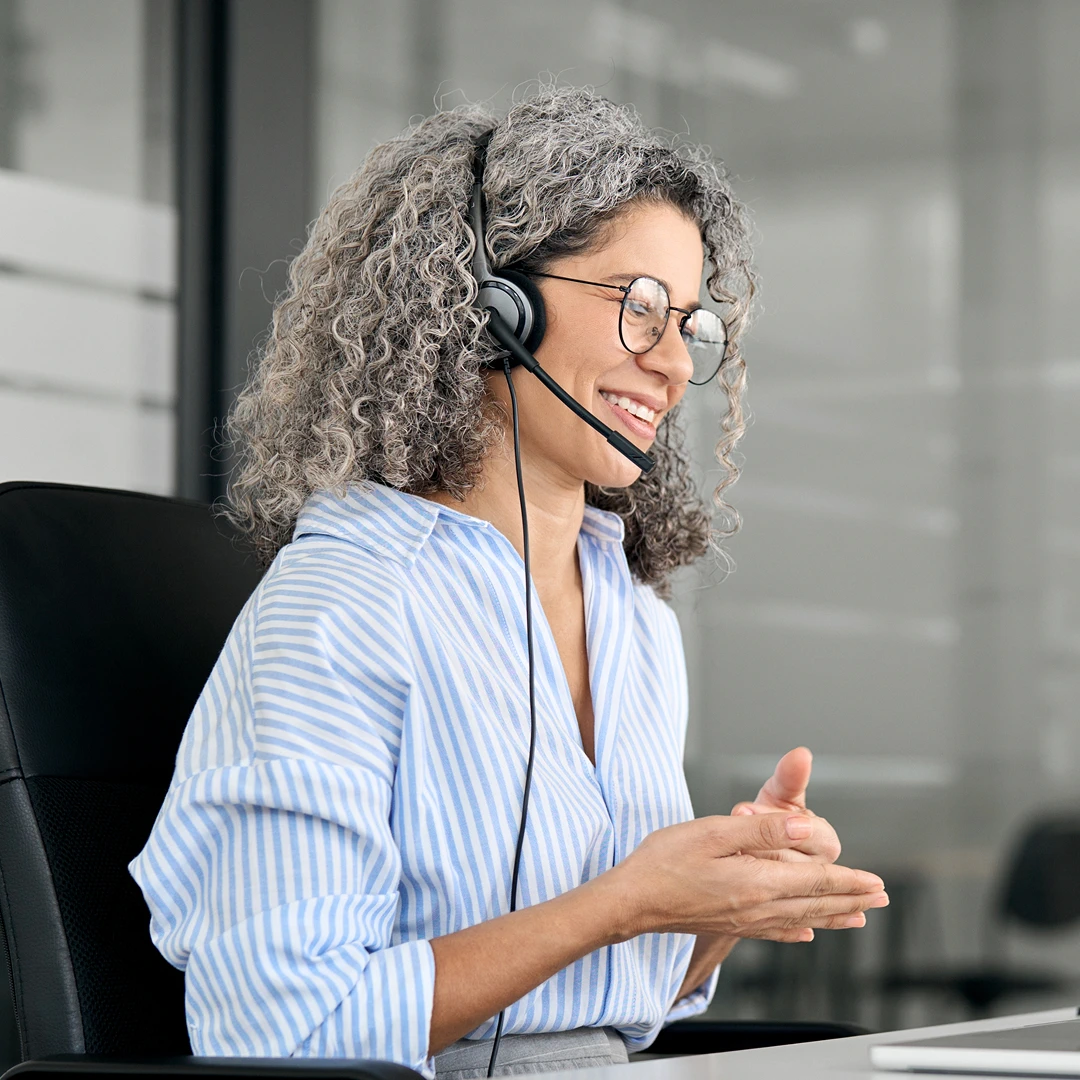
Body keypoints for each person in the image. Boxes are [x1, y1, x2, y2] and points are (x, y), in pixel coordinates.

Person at [129, 85, 887, 1079]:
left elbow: (617, 1013)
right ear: (491, 308)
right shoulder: (341, 612)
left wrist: (716, 902)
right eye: (639, 308)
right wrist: (626, 900)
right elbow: (280, 1034)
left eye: (688, 325)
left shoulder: (633, 619)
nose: (668, 362)